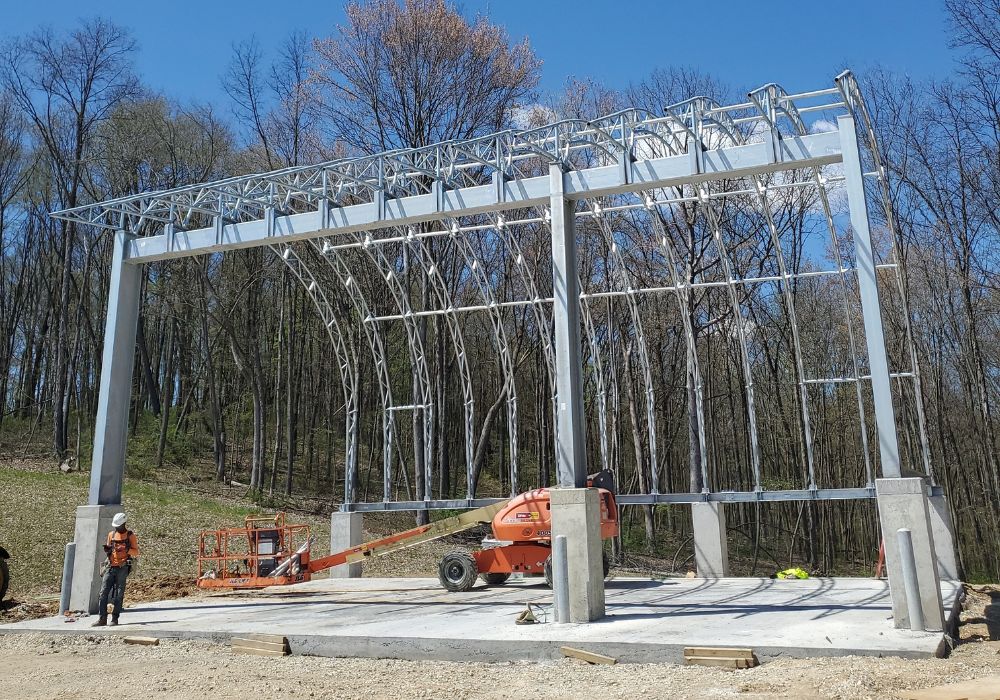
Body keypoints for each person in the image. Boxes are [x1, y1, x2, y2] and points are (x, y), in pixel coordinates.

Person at [93, 512, 139, 627]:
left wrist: (126, 549)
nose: (116, 528)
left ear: (124, 524)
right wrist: (108, 550)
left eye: (118, 526)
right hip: (110, 567)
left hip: (122, 568)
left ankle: (115, 618)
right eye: (115, 526)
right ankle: (102, 618)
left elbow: (136, 552)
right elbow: (109, 549)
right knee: (103, 593)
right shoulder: (111, 535)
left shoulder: (130, 536)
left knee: (119, 594)